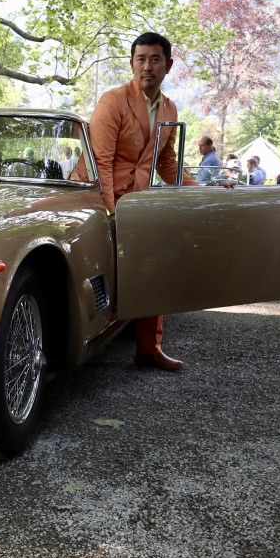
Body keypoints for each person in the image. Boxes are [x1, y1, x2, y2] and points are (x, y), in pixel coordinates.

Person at [89, 31, 190, 371]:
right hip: (99, 199)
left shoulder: (170, 108)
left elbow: (167, 163)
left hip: (138, 204)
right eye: (141, 59)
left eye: (155, 59)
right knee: (102, 270)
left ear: (168, 65)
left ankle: (149, 349)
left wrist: (202, 188)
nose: (147, 66)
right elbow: (101, 160)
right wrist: (109, 211)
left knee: (153, 268)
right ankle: (91, 339)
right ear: (132, 64)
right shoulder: (112, 101)